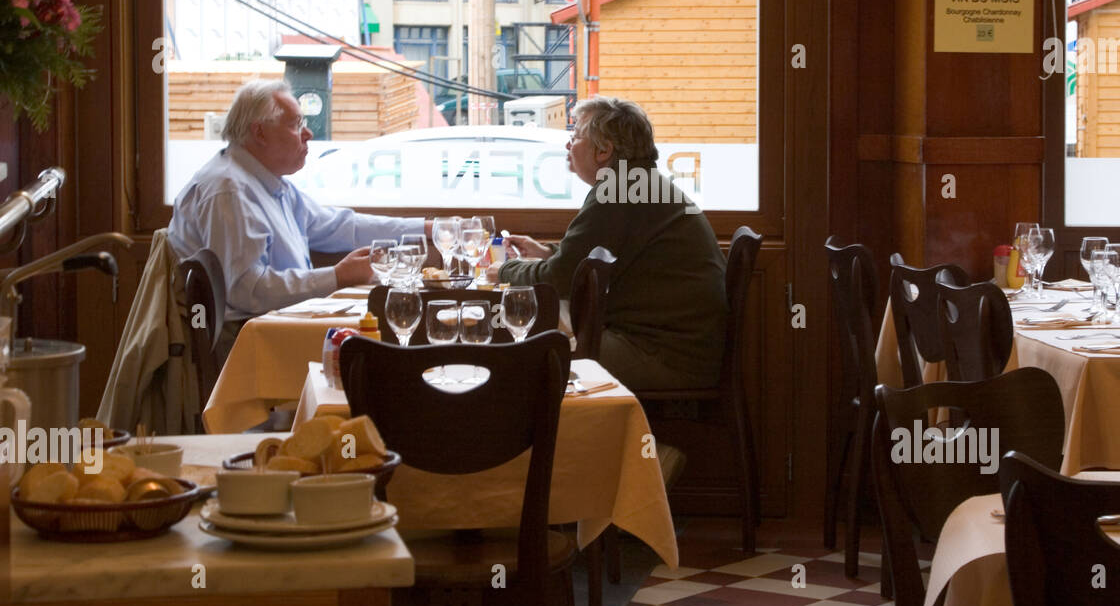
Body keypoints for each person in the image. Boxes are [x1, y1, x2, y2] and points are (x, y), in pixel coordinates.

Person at [489, 96, 727, 390]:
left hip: (666, 354)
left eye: (575, 136)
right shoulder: (634, 183)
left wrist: (502, 271)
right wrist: (547, 253)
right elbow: (591, 258)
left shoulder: (618, 190)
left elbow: (558, 278)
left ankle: (555, 436)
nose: (568, 145)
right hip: (682, 346)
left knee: (537, 354)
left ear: (603, 151)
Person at [168, 80, 430, 337]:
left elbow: (342, 226)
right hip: (247, 338)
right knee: (385, 336)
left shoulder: (268, 183)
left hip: (277, 322)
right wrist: (337, 277)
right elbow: (247, 291)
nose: (308, 134)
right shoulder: (228, 190)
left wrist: (427, 228)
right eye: (296, 125)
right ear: (259, 133)